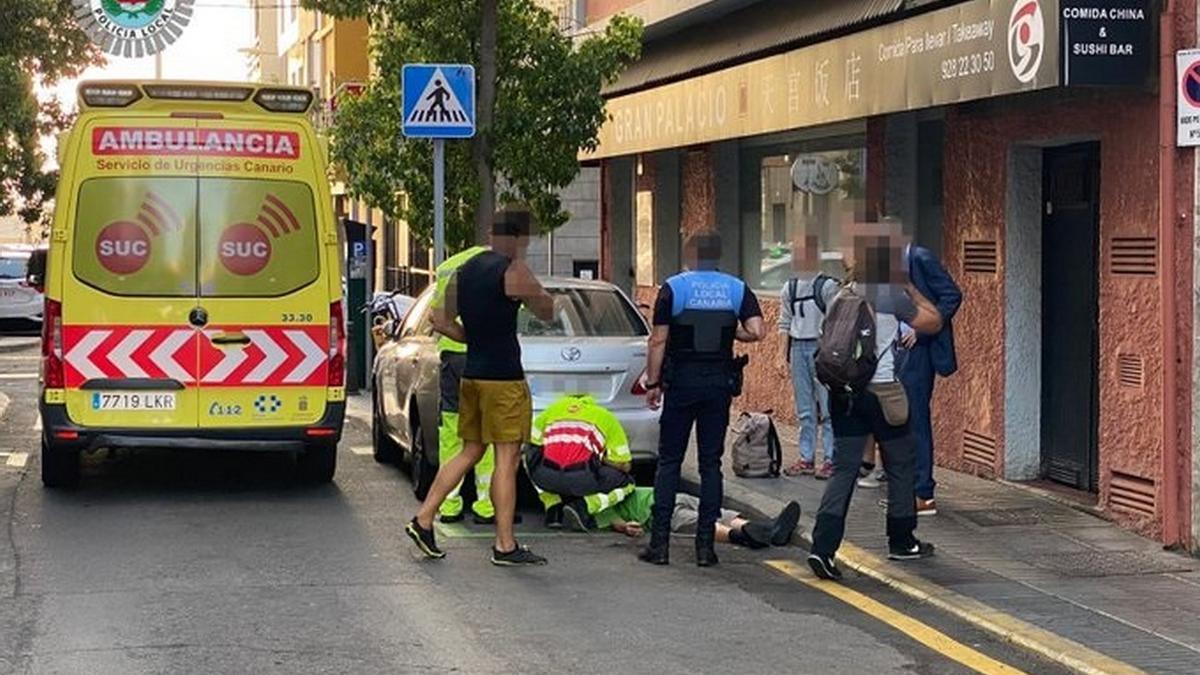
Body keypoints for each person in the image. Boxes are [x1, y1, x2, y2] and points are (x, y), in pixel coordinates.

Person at [406, 209, 555, 566]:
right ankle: (505, 545)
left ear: (491, 233)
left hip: (471, 375)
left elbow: (439, 319)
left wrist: (472, 338)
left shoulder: (465, 271)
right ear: (519, 238)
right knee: (507, 458)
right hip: (503, 379)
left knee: (469, 451)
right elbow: (547, 311)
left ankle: (424, 518)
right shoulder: (514, 270)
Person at [807, 225, 944, 581]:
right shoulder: (891, 294)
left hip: (844, 394)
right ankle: (902, 541)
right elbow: (932, 321)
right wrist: (911, 287)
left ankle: (822, 547)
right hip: (883, 392)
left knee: (845, 469)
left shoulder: (840, 294)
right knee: (900, 463)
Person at [641, 232, 766, 567]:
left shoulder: (673, 288)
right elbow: (757, 331)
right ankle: (705, 548)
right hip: (717, 385)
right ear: (718, 255)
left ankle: (660, 544)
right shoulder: (736, 288)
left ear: (690, 255)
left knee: (669, 461)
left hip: (681, 382)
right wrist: (731, 332)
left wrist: (653, 382)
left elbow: (658, 341)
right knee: (711, 464)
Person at [429, 244, 497, 525]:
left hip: (451, 358)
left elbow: (435, 316)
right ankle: (485, 505)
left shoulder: (450, 265)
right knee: (485, 432)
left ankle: (450, 504)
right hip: (481, 357)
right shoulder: (493, 268)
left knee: (452, 432)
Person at [899, 241, 962, 516]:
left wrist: (922, 331)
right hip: (896, 349)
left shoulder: (921, 258)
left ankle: (923, 493)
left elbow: (951, 295)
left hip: (919, 351)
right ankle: (906, 490)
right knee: (900, 421)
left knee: (916, 421)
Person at [525, 393, 637, 532]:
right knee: (628, 482)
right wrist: (600, 458)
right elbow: (624, 465)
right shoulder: (606, 417)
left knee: (530, 458)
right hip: (581, 478)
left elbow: (531, 441)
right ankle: (584, 506)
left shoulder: (551, 410)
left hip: (546, 476)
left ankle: (553, 508)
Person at [779, 235, 840, 480]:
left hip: (821, 348)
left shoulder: (827, 286)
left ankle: (830, 458)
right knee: (804, 408)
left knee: (827, 408)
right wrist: (779, 354)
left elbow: (837, 321)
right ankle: (806, 458)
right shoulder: (789, 288)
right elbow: (784, 323)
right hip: (798, 348)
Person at [601, 486, 801, 550]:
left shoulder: (604, 498)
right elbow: (621, 525)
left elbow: (619, 524)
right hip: (663, 500)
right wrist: (627, 527)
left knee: (706, 518)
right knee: (708, 515)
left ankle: (753, 532)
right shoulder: (607, 498)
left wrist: (626, 527)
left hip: (665, 504)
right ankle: (748, 531)